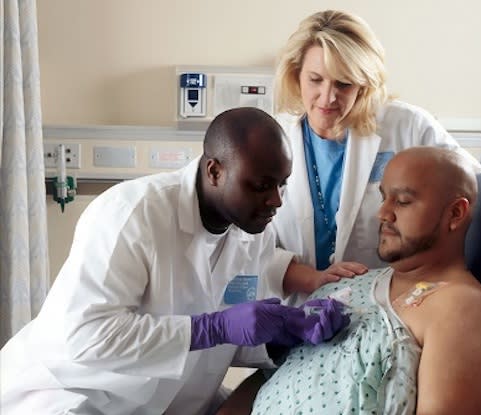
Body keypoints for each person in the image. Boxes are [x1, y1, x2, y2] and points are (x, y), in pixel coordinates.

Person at [0, 107, 350, 415]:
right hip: (76, 395)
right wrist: (212, 326)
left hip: (170, 401)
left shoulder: (254, 235)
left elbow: (220, 340)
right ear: (214, 171)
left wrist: (281, 335)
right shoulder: (131, 213)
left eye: (282, 185)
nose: (276, 200)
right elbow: (87, 336)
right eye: (261, 185)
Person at [265, 9, 481, 298]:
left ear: (363, 84)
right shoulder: (272, 140)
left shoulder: (405, 125)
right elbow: (252, 245)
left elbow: (468, 176)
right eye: (315, 80)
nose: (328, 97)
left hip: (383, 309)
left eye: (344, 84)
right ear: (296, 75)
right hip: (297, 311)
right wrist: (312, 279)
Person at [217, 146, 481, 414]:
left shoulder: (460, 310)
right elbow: (277, 372)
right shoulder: (348, 283)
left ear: (456, 213)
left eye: (403, 201)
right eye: (384, 197)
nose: (382, 213)